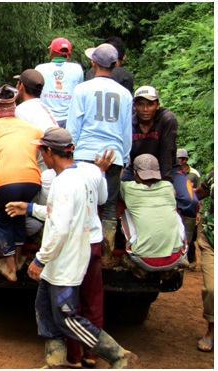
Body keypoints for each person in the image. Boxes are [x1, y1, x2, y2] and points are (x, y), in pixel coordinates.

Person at [8, 127, 136, 369]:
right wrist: (29, 208)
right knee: (45, 312)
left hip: (65, 261)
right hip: (60, 261)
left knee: (66, 317)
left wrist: (40, 259)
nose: (40, 154)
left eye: (41, 149)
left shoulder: (65, 183)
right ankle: (55, 363)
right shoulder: (76, 177)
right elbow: (59, 215)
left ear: (48, 151)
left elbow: (60, 229)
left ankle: (117, 355)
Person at [66, 42, 133, 268]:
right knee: (110, 205)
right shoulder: (124, 94)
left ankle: (78, 251)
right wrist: (124, 157)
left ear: (93, 63)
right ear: (115, 64)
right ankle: (104, 254)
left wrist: (70, 151)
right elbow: (126, 130)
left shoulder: (82, 89)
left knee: (81, 201)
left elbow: (74, 125)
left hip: (85, 152)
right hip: (113, 154)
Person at [120, 86, 199, 249]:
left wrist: (166, 184)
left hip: (168, 167)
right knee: (111, 195)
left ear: (158, 105)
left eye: (150, 104)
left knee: (189, 201)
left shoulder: (167, 120)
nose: (145, 109)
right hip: (136, 169)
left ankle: (185, 244)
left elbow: (167, 151)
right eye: (141, 104)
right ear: (134, 106)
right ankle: (119, 243)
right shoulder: (129, 122)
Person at [0, 85, 43, 281]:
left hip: (4, 180)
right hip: (32, 180)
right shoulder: (33, 129)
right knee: (19, 215)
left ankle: (10, 268)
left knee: (4, 219)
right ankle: (20, 257)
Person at [119, 154, 187, 276]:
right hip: (175, 257)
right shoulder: (168, 187)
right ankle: (174, 262)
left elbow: (116, 182)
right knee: (174, 212)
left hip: (143, 259)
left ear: (135, 173)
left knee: (126, 212)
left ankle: (135, 259)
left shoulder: (128, 189)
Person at [14, 68, 58, 172]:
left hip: (41, 167)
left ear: (21, 87)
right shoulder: (44, 107)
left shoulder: (21, 110)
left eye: (17, 83)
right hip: (54, 161)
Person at [35, 37, 84, 128]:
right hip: (69, 120)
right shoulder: (77, 69)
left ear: (52, 52)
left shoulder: (40, 69)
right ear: (68, 54)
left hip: (46, 118)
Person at [194, 170, 214, 352]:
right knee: (212, 289)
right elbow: (198, 193)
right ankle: (212, 329)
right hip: (212, 241)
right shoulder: (214, 175)